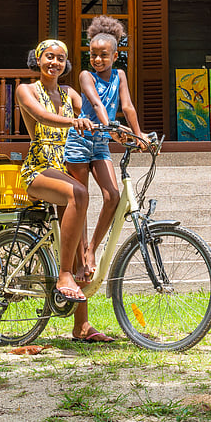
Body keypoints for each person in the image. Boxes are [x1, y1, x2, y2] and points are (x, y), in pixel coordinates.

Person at [15, 38, 111, 342]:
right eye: (48, 57)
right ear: (38, 59)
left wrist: (115, 125)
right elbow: (42, 117)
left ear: (65, 64)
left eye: (60, 59)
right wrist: (73, 121)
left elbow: (92, 112)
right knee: (79, 193)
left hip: (66, 167)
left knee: (81, 244)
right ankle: (63, 274)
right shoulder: (26, 90)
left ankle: (81, 326)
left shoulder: (70, 93)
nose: (54, 63)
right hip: (39, 168)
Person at [63, 16, 148, 286]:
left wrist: (138, 134)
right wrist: (113, 129)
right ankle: (81, 262)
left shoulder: (120, 75)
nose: (97, 60)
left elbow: (128, 106)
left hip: (99, 144)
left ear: (115, 54)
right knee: (82, 201)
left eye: (103, 55)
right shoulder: (85, 76)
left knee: (112, 195)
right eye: (93, 54)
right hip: (80, 140)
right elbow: (97, 105)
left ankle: (91, 251)